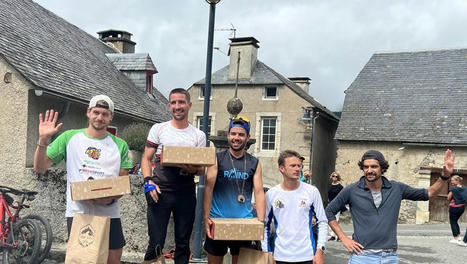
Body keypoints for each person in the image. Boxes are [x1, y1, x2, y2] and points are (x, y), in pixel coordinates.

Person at [34, 95, 133, 264]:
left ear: (111, 117)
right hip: (79, 213)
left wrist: (108, 199)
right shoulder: (69, 138)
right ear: (88, 112)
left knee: (113, 260)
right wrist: (43, 140)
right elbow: (40, 167)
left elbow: (122, 183)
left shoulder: (120, 145)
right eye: (96, 112)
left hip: (110, 213)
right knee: (83, 261)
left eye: (104, 114)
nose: (99, 117)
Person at [325, 149, 454, 263]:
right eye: (366, 167)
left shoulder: (397, 188)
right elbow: (329, 211)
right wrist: (343, 238)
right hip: (362, 257)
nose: (369, 170)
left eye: (374, 167)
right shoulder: (352, 190)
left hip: (389, 257)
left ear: (382, 168)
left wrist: (444, 176)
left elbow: (429, 193)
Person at [142, 88, 206, 263]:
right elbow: (146, 158)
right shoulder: (159, 129)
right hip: (159, 191)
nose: (178, 106)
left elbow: (201, 169)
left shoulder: (199, 135)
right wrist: (148, 182)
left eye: (181, 102)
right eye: (174, 103)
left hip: (185, 193)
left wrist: (191, 168)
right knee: (155, 242)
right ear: (169, 105)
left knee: (183, 244)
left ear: (189, 105)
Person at [203, 115, 265, 264]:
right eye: (234, 134)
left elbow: (259, 191)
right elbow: (208, 188)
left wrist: (261, 221)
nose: (236, 138)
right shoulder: (216, 159)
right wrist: (205, 218)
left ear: (248, 137)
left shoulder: (254, 163)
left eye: (241, 134)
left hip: (244, 222)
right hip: (217, 220)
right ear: (228, 135)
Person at [262, 150, 327, 264]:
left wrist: (319, 250)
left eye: (299, 166)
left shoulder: (312, 191)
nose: (297, 169)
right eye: (293, 166)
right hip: (280, 256)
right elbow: (264, 226)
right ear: (281, 168)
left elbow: (322, 221)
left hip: (307, 256)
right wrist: (267, 253)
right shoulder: (271, 194)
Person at [447, 175, 467, 246]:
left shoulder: (453, 188)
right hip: (462, 207)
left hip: (454, 207)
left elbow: (448, 198)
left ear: (457, 181)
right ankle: (458, 236)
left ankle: (456, 238)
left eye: (452, 180)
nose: (451, 182)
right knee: (455, 221)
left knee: (453, 222)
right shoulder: (465, 188)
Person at [327, 171, 344, 241]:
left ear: (338, 178)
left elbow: (342, 196)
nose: (334, 177)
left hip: (337, 205)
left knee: (335, 221)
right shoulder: (329, 185)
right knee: (330, 220)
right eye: (333, 176)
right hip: (330, 204)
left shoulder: (340, 187)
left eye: (336, 176)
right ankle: (332, 235)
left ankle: (339, 236)